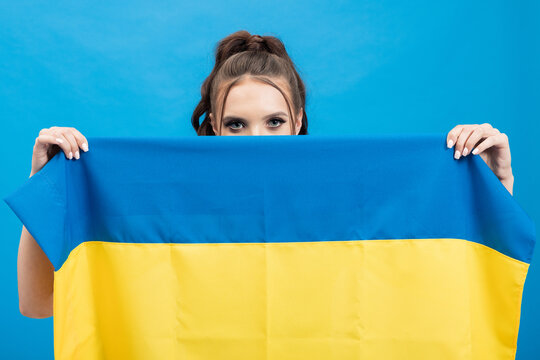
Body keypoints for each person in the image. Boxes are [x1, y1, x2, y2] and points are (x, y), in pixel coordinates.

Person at [17, 30, 514, 318]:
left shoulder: (351, 209)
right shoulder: (167, 213)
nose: (257, 140)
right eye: (237, 124)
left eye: (274, 122)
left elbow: (451, 295)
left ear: (297, 122)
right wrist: (48, 194)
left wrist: (493, 195)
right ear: (212, 128)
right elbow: (39, 303)